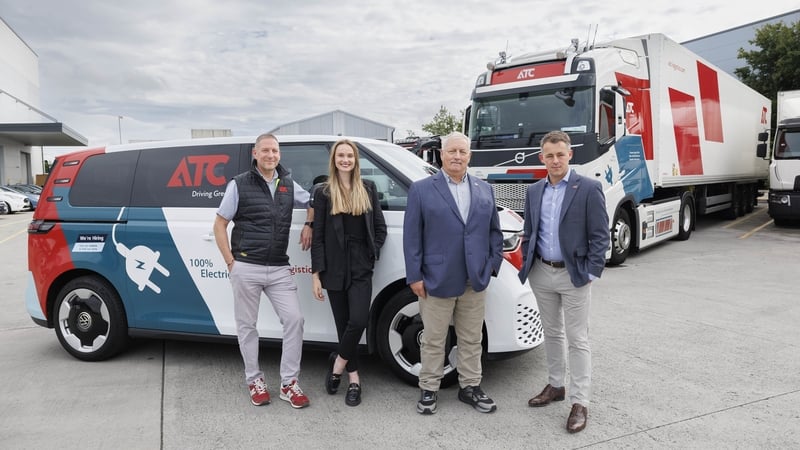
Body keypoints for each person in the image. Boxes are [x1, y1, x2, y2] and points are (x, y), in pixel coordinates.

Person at [403, 131, 503, 415]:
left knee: (472, 339)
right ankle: (429, 389)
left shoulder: (485, 189)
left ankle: (470, 387)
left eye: (462, 152)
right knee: (434, 339)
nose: (457, 156)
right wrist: (415, 276)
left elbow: (494, 232)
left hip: (475, 278)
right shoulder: (421, 189)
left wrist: (493, 264)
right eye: (452, 152)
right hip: (436, 278)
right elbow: (412, 237)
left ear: (469, 156)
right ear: (442, 154)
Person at [517, 130, 610, 433]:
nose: (555, 160)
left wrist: (591, 272)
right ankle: (556, 386)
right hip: (542, 272)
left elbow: (600, 236)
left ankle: (580, 402)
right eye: (549, 155)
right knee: (552, 334)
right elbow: (530, 231)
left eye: (560, 154)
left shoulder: (588, 188)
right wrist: (528, 265)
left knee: (578, 338)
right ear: (541, 157)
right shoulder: (533, 192)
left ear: (570, 155)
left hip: (575, 275)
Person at [213, 133, 314, 409]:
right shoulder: (239, 184)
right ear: (255, 154)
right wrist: (230, 262)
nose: (271, 155)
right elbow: (220, 224)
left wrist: (310, 225)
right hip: (246, 265)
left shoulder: (288, 184)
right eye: (266, 150)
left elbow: (314, 202)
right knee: (247, 326)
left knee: (294, 320)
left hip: (278, 267)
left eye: (275, 151)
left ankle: (289, 383)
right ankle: (254, 380)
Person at [311, 139, 387, 407]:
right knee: (344, 326)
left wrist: (372, 252)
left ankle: (337, 364)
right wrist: (316, 274)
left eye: (350, 156)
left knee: (358, 321)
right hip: (333, 266)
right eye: (341, 155)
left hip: (360, 266)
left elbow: (380, 227)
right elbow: (318, 236)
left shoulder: (368, 188)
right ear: (334, 160)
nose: (345, 160)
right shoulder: (323, 192)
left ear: (356, 160)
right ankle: (354, 380)